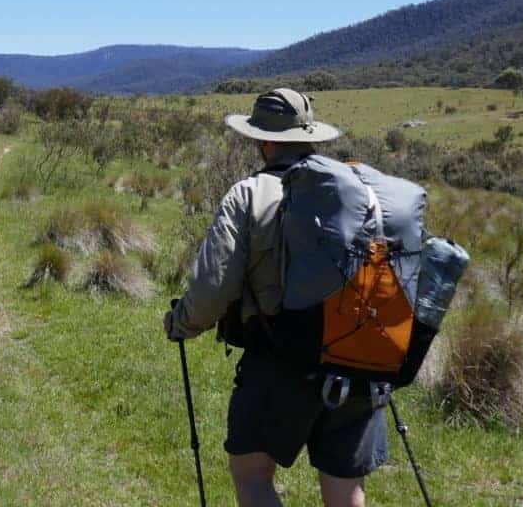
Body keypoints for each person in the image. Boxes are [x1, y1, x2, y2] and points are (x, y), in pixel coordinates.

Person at [163, 89, 384, 507]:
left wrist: (181, 323)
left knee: (252, 478)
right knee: (345, 490)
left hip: (280, 359)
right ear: (310, 136)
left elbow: (214, 285)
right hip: (357, 362)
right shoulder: (357, 189)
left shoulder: (248, 194)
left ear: (263, 141)